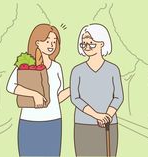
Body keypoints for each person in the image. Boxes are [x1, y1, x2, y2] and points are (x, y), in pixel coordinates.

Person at [7, 24, 70, 157]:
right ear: (37, 42)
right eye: (47, 41)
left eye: (54, 42)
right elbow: (11, 86)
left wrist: (72, 90)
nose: (51, 45)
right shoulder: (26, 64)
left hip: (53, 121)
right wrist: (34, 94)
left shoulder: (57, 67)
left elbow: (56, 98)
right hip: (29, 121)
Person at [70, 23, 124, 156]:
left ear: (102, 43)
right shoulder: (77, 70)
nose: (87, 47)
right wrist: (97, 115)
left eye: (91, 43)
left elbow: (118, 97)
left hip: (108, 124)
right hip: (83, 124)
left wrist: (107, 116)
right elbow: (75, 98)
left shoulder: (113, 69)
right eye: (84, 44)